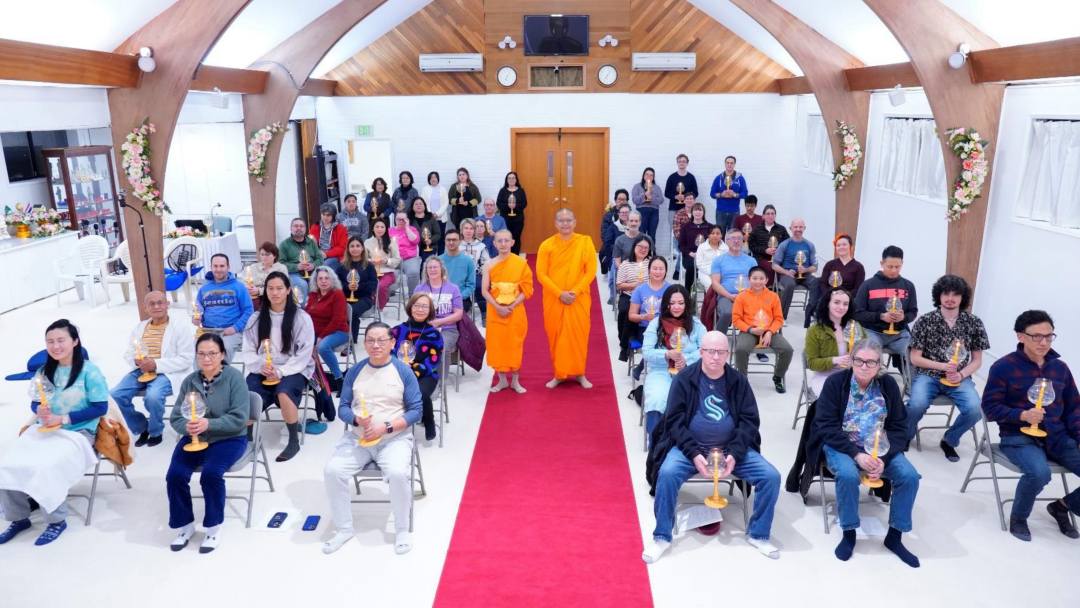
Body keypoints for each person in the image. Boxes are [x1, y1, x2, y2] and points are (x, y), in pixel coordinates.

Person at [643, 330, 782, 563]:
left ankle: (758, 534)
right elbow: (674, 422)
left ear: (728, 354)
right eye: (710, 351)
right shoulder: (685, 379)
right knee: (666, 474)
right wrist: (694, 453)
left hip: (730, 451)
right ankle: (662, 537)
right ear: (701, 352)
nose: (715, 357)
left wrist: (735, 455)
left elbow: (749, 422)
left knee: (771, 476)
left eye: (721, 352)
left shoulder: (738, 381)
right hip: (691, 450)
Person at [808, 338, 922, 568]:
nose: (864, 366)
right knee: (849, 475)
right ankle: (849, 531)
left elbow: (900, 426)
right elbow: (826, 425)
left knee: (909, 477)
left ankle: (895, 536)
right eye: (859, 360)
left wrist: (884, 458)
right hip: (842, 445)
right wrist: (856, 454)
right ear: (851, 360)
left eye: (871, 362)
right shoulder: (836, 383)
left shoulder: (888, 385)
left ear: (880, 364)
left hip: (881, 449)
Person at [0, 320, 106, 546]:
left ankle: (56, 520)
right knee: (6, 462)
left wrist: (64, 418)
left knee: (47, 466)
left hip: (78, 432)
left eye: (61, 340)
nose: (55, 346)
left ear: (75, 342)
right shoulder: (43, 371)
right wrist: (38, 409)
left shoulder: (89, 371)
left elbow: (101, 407)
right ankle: (19, 517)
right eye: (50, 342)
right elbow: (36, 403)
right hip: (45, 429)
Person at [322, 322, 422, 555]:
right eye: (370, 340)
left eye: (381, 340)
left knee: (397, 473)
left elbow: (416, 410)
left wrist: (386, 427)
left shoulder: (403, 371)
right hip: (359, 438)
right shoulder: (356, 371)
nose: (375, 345)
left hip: (394, 438)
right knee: (333, 471)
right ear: (364, 343)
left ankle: (401, 529)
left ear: (392, 343)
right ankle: (344, 528)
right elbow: (343, 407)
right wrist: (357, 420)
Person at [982, 309, 1080, 541]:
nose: (1043, 342)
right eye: (1037, 336)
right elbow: (989, 408)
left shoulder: (1060, 368)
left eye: (1048, 336)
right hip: (1018, 437)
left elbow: (1074, 408)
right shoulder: (1004, 367)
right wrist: (1021, 415)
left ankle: (1062, 506)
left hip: (1057, 436)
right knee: (1039, 473)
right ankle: (1019, 518)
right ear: (1021, 336)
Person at [164, 333, 248, 554]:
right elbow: (176, 417)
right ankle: (185, 526)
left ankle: (212, 527)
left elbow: (240, 418)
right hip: (195, 438)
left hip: (228, 438)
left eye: (212, 353)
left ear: (222, 354)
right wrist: (187, 427)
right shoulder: (190, 381)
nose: (207, 358)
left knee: (210, 474)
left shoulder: (234, 378)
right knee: (175, 475)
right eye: (201, 354)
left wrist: (208, 424)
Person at [906, 274, 990, 462]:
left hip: (959, 377)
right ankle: (904, 436)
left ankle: (950, 440)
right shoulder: (925, 321)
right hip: (928, 374)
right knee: (916, 404)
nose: (950, 299)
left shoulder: (974, 323)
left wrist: (961, 374)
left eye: (955, 294)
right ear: (939, 296)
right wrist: (942, 366)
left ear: (963, 298)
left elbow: (977, 360)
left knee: (975, 409)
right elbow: (915, 358)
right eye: (946, 294)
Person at [240, 271, 315, 462]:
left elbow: (304, 353)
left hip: (293, 368)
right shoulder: (256, 318)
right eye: (270, 288)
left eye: (279, 288)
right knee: (249, 392)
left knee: (284, 391)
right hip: (264, 367)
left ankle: (293, 440)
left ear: (288, 290)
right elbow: (248, 349)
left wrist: (281, 371)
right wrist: (259, 366)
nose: (275, 293)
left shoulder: (301, 318)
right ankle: (246, 439)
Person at [111, 290, 195, 447]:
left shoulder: (180, 328)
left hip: (166, 372)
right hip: (141, 370)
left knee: (153, 397)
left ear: (167, 305)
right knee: (115, 395)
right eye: (152, 304)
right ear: (145, 308)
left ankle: (156, 431)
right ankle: (141, 427)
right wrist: (136, 361)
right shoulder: (140, 328)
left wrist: (156, 364)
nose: (157, 306)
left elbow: (187, 358)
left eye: (160, 302)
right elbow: (129, 352)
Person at [536, 208, 598, 389]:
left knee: (579, 336)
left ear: (575, 222)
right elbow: (541, 274)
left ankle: (580, 373)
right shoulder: (546, 245)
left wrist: (575, 291)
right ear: (555, 223)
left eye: (568, 220)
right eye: (561, 221)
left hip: (578, 298)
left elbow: (590, 271)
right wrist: (559, 293)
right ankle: (559, 373)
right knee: (556, 336)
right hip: (554, 299)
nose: (565, 224)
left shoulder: (585, 242)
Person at [642, 285, 706, 435]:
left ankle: (692, 440)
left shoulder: (695, 324)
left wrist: (687, 360)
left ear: (686, 304)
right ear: (666, 304)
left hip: (690, 371)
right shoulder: (656, 324)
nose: (677, 307)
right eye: (673, 303)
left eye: (681, 303)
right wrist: (666, 355)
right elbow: (647, 352)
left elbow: (706, 348)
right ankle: (656, 444)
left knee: (699, 400)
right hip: (661, 371)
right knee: (657, 398)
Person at [483, 230, 534, 394]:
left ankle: (516, 381)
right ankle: (503, 380)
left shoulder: (521, 263)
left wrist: (511, 306)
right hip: (495, 309)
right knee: (497, 345)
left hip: (515, 310)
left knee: (514, 344)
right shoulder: (489, 264)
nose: (503, 244)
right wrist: (498, 307)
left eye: (506, 240)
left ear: (512, 242)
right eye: (500, 241)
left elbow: (527, 289)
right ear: (495, 243)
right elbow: (484, 291)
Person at [732, 266, 794, 393]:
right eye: (755, 278)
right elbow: (736, 319)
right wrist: (750, 330)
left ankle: (778, 377)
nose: (758, 281)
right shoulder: (741, 297)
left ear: (766, 280)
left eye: (761, 278)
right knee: (741, 349)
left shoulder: (773, 296)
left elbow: (778, 319)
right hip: (749, 331)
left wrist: (770, 332)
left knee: (787, 350)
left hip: (769, 331)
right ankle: (742, 378)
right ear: (749, 279)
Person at [391, 295, 444, 441]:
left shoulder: (434, 334)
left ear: (430, 310)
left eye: (424, 306)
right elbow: (388, 353)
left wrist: (415, 370)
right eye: (417, 305)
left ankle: (429, 419)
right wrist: (399, 365)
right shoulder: (396, 331)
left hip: (426, 374)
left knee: (418, 392)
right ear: (410, 307)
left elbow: (434, 360)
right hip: (398, 372)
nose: (420, 309)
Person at [853, 245, 917, 357]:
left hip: (899, 334)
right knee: (871, 353)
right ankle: (876, 371)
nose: (894, 270)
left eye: (897, 267)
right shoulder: (868, 285)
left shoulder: (908, 286)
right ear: (881, 263)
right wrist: (881, 316)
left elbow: (913, 311)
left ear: (902, 263)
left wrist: (904, 317)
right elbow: (857, 313)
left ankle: (910, 374)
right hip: (872, 332)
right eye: (890, 266)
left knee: (914, 352)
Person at [194, 253, 254, 362]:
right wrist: (196, 318)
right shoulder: (204, 288)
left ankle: (221, 378)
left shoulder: (239, 287)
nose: (218, 269)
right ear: (211, 267)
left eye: (222, 266)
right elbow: (198, 310)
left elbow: (249, 310)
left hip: (230, 331)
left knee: (221, 353)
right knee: (199, 353)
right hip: (208, 330)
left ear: (228, 267)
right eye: (215, 266)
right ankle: (202, 378)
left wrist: (235, 328)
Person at [805, 288, 865, 397]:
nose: (841, 307)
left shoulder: (855, 326)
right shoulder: (815, 330)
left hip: (852, 375)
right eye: (836, 302)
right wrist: (835, 360)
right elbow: (812, 363)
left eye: (845, 304)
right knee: (839, 398)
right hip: (825, 377)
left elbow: (867, 350)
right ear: (827, 304)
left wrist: (858, 359)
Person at [306, 266, 350, 392]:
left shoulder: (337, 294)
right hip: (318, 332)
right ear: (316, 281)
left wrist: (321, 336)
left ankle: (339, 379)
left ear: (332, 280)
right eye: (320, 278)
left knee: (322, 347)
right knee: (302, 345)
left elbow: (337, 320)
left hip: (339, 331)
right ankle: (317, 379)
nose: (323, 281)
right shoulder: (313, 295)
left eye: (326, 278)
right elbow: (308, 315)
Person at [414, 256, 465, 356]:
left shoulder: (453, 288)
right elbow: (413, 311)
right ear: (426, 271)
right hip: (423, 328)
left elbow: (459, 314)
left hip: (448, 329)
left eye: (435, 267)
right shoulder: (419, 289)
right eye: (430, 268)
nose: (432, 270)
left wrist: (439, 322)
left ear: (441, 269)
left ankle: (441, 372)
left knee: (440, 347)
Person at [771, 217, 819, 322]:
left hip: (804, 274)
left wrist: (805, 270)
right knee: (790, 285)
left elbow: (815, 267)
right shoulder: (784, 244)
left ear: (804, 228)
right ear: (791, 228)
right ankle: (781, 317)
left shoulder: (809, 245)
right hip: (787, 274)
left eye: (800, 227)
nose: (798, 229)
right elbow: (774, 265)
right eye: (795, 227)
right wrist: (786, 272)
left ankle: (813, 313)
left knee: (817, 283)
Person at [709, 230, 756, 333]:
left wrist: (746, 294)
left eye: (739, 238)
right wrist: (730, 295)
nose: (736, 241)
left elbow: (756, 282)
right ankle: (718, 339)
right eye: (733, 238)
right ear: (727, 241)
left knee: (754, 312)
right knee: (727, 312)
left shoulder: (751, 261)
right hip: (726, 296)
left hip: (748, 296)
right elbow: (715, 283)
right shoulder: (718, 260)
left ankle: (746, 338)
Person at [615, 235, 653, 361]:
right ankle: (625, 344)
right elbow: (619, 285)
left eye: (646, 248)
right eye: (640, 247)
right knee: (626, 311)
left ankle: (637, 338)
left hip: (647, 296)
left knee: (647, 311)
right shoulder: (625, 264)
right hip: (629, 294)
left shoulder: (652, 262)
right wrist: (634, 285)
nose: (643, 249)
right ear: (634, 247)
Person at [628, 257, 671, 365]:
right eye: (654, 268)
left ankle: (641, 367)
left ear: (666, 271)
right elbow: (631, 315)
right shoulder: (640, 289)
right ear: (649, 270)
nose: (657, 272)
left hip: (665, 328)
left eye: (661, 269)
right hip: (644, 329)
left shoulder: (671, 289)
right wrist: (643, 317)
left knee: (666, 339)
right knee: (655, 342)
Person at [336, 236, 377, 343]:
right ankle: (343, 338)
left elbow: (373, 284)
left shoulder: (369, 266)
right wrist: (346, 286)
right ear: (348, 249)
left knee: (351, 312)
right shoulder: (342, 267)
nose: (355, 249)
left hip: (364, 298)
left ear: (362, 248)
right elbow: (336, 283)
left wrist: (359, 287)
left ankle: (350, 342)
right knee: (341, 310)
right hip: (345, 297)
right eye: (352, 246)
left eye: (358, 246)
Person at [279, 217, 324, 304]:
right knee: (302, 285)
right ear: (291, 228)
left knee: (325, 281)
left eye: (301, 226)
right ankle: (303, 313)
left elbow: (320, 258)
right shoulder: (284, 244)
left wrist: (313, 265)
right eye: (296, 226)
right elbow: (281, 264)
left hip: (312, 272)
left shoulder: (311, 242)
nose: (299, 228)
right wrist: (297, 267)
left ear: (305, 229)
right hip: (294, 273)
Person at [365, 217, 402, 310]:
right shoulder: (367, 242)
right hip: (372, 272)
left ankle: (379, 308)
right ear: (372, 228)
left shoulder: (391, 241)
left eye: (382, 227)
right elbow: (364, 259)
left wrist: (386, 261)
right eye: (377, 227)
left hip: (387, 272)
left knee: (381, 286)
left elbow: (397, 259)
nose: (380, 229)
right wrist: (371, 261)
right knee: (368, 286)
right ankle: (373, 304)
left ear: (386, 229)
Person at [460, 219, 492, 325]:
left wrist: (483, 270)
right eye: (466, 228)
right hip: (460, 275)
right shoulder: (457, 245)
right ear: (461, 230)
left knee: (479, 286)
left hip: (476, 273)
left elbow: (486, 262)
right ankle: (464, 308)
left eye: (471, 228)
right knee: (458, 287)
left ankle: (484, 312)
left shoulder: (480, 246)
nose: (468, 231)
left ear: (474, 230)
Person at [747, 204, 787, 287]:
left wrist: (778, 251)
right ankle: (768, 289)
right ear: (763, 216)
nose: (770, 216)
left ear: (775, 215)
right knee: (770, 268)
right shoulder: (756, 229)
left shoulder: (781, 229)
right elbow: (752, 246)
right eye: (768, 213)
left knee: (781, 267)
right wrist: (765, 250)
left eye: (773, 213)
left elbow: (787, 244)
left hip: (777, 258)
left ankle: (776, 290)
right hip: (761, 258)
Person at [676, 200, 712, 291]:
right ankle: (687, 293)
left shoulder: (710, 227)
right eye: (695, 210)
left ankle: (709, 293)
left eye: (700, 210)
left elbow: (714, 243)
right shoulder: (685, 227)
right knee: (692, 266)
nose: (698, 212)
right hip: (690, 256)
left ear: (703, 213)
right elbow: (681, 245)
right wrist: (689, 253)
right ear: (692, 212)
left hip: (706, 256)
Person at [600, 198, 630, 304]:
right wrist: (617, 251)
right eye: (622, 212)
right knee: (613, 277)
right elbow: (607, 242)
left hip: (632, 258)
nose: (624, 214)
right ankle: (613, 295)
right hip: (617, 257)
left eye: (626, 212)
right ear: (618, 214)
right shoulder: (614, 227)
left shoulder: (634, 226)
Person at [439, 230, 476, 312]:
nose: (451, 242)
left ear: (460, 241)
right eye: (448, 240)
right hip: (440, 298)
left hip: (461, 298)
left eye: (454, 240)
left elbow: (471, 285)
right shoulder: (438, 260)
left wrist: (458, 297)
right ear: (444, 241)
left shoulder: (468, 261)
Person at [242, 242, 288, 309]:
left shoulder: (281, 268)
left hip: (274, 296)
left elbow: (283, 286)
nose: (264, 257)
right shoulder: (253, 267)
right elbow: (244, 281)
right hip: (254, 297)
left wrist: (259, 291)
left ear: (274, 256)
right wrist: (248, 288)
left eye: (267, 254)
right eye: (262, 254)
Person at [709, 155, 748, 231]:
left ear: (734, 164)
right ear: (725, 164)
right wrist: (721, 194)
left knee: (732, 237)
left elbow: (745, 193)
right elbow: (712, 193)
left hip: (734, 212)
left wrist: (735, 194)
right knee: (720, 236)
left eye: (731, 163)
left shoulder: (740, 178)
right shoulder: (718, 178)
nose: (729, 164)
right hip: (721, 212)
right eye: (727, 163)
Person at [664, 153, 699, 236]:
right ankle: (673, 249)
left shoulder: (691, 177)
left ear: (687, 163)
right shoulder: (671, 177)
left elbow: (696, 193)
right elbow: (666, 193)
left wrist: (687, 197)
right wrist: (675, 196)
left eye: (684, 161)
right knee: (673, 232)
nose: (681, 163)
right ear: (677, 163)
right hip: (673, 209)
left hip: (688, 209)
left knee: (689, 230)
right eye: (679, 161)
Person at [309, 202, 348, 271]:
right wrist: (317, 252)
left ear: (333, 216)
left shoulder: (341, 228)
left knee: (324, 266)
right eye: (323, 214)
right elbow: (310, 244)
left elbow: (342, 248)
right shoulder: (315, 227)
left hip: (334, 256)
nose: (325, 217)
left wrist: (326, 254)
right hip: (318, 255)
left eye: (328, 215)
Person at [390, 211, 422, 294]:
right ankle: (388, 292)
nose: (401, 221)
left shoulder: (412, 229)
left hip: (409, 258)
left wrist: (407, 228)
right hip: (393, 258)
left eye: (403, 219)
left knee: (414, 272)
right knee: (389, 274)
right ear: (395, 220)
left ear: (407, 220)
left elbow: (415, 240)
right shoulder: (390, 230)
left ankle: (413, 295)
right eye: (398, 219)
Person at [495, 171, 527, 254]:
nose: (511, 179)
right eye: (509, 178)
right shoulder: (502, 191)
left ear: (516, 180)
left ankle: (515, 256)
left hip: (518, 219)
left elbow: (524, 203)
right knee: (506, 237)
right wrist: (508, 207)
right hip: (505, 219)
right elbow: (499, 203)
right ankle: (506, 255)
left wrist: (515, 207)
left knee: (516, 237)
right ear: (506, 180)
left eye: (513, 178)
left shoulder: (521, 191)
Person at [631, 167, 664, 243]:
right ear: (643, 176)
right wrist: (644, 195)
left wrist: (651, 198)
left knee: (652, 234)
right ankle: (640, 252)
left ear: (653, 177)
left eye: (651, 175)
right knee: (641, 234)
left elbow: (661, 200)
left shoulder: (657, 187)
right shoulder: (637, 186)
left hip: (654, 212)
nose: (649, 176)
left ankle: (652, 253)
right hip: (641, 211)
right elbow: (635, 200)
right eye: (647, 174)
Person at [695, 225, 726, 294]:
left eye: (718, 233)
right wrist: (712, 273)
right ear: (708, 235)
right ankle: (711, 303)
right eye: (712, 233)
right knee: (711, 285)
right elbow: (699, 264)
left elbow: (727, 263)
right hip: (705, 273)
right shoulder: (702, 247)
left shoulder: (725, 248)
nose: (715, 235)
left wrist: (718, 273)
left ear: (721, 235)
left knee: (726, 285)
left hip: (721, 273)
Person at [420, 170, 448, 236]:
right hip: (428, 217)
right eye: (431, 177)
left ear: (438, 179)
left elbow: (445, 203)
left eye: (435, 177)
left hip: (441, 218)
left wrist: (437, 214)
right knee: (429, 236)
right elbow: (423, 202)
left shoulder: (443, 189)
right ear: (429, 179)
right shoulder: (425, 189)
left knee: (441, 237)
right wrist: (430, 213)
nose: (433, 179)